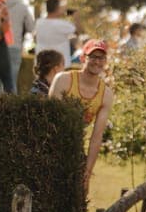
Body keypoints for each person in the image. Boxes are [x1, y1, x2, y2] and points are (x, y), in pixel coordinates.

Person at [49, 39, 114, 187]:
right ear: (83, 58)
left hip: (75, 147)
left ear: (105, 61)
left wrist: (87, 172)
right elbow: (50, 118)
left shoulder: (106, 94)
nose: (97, 61)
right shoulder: (64, 80)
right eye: (93, 57)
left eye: (101, 58)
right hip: (52, 144)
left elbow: (96, 137)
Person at [3, 0, 35, 86]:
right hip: (15, 45)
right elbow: (31, 27)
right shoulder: (22, 6)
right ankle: (9, 102)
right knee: (11, 81)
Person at [34, 0, 76, 67]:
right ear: (57, 8)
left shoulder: (38, 23)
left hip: (41, 63)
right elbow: (78, 31)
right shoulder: (62, 24)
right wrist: (75, 17)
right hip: (59, 65)